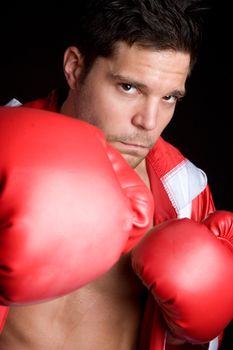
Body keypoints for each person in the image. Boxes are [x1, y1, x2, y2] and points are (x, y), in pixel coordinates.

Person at [0, 0, 232, 349]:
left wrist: (198, 327)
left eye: (169, 97)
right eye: (129, 88)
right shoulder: (4, 148)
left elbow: (200, 339)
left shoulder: (184, 192)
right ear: (75, 68)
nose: (148, 122)